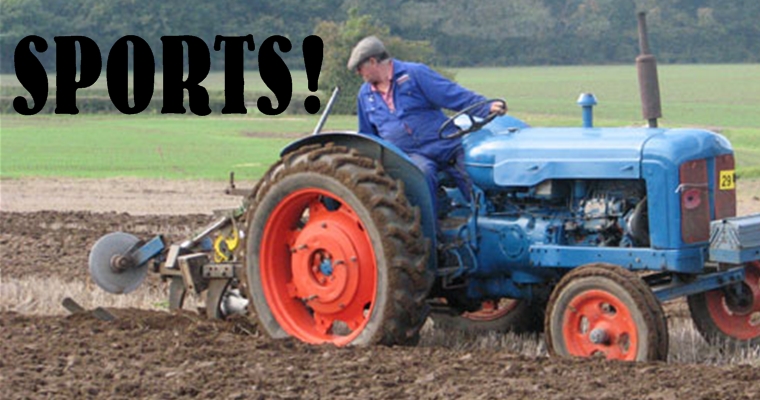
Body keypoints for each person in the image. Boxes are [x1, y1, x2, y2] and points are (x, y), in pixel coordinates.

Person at [347, 36, 506, 210]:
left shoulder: (414, 74)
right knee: (421, 176)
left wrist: (485, 106)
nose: (358, 73)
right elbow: (368, 135)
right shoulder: (365, 95)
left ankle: (484, 217)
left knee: (473, 173)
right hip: (410, 155)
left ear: (373, 61)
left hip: (444, 143)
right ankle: (434, 234)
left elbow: (450, 93)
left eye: (360, 68)